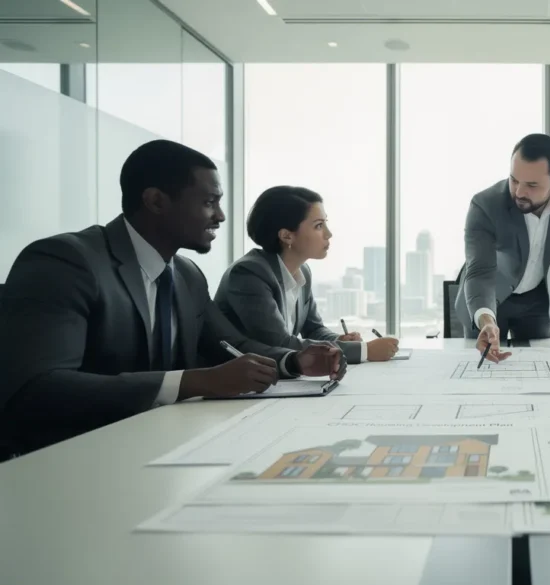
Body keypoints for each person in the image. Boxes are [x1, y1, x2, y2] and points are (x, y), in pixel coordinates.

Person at [0, 140, 344, 456]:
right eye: (209, 202)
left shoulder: (186, 275)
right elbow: (37, 389)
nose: (221, 216)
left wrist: (294, 362)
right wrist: (192, 381)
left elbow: (231, 343)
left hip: (159, 450)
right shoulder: (65, 261)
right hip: (66, 460)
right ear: (156, 201)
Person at [456, 133, 550, 362]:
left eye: (532, 185)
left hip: (538, 299)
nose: (520, 192)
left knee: (541, 368)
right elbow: (480, 271)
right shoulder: (485, 204)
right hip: (488, 298)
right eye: (514, 180)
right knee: (484, 367)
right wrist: (486, 320)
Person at [215, 186, 399, 362]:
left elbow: (314, 330)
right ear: (287, 236)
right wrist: (364, 351)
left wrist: (340, 340)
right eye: (319, 226)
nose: (329, 234)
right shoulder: (248, 274)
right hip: (236, 380)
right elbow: (279, 343)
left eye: (325, 223)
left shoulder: (302, 271)